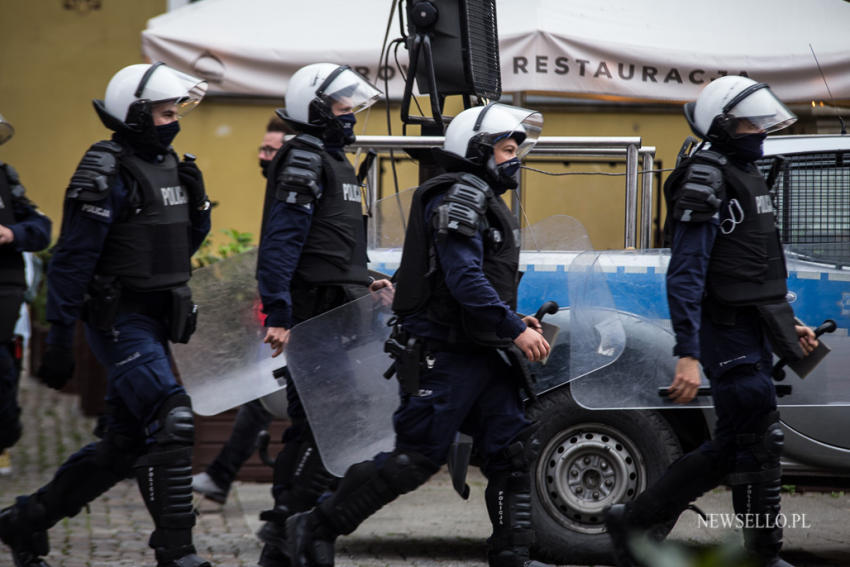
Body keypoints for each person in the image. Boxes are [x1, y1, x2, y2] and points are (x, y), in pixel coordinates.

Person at [282, 102, 551, 567]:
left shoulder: (482, 197)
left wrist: (513, 318)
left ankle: (514, 555)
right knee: (414, 460)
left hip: (484, 352)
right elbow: (463, 279)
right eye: (507, 149)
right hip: (447, 355)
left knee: (513, 451)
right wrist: (511, 327)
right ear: (479, 149)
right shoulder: (460, 197)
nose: (515, 159)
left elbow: (474, 279)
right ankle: (315, 525)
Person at [0, 62, 213, 567]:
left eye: (175, 111)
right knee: (173, 417)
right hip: (119, 319)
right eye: (164, 113)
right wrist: (57, 340)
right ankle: (176, 551)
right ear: (135, 115)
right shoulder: (104, 169)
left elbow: (181, 246)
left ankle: (24, 521)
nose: (173, 121)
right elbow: (73, 259)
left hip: (159, 317)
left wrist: (197, 203)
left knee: (123, 445)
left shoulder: (172, 165)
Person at [604, 76, 817, 567]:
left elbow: (749, 269)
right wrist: (688, 352)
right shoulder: (706, 177)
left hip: (750, 329)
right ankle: (762, 554)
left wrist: (789, 323)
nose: (760, 129)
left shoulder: (744, 171)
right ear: (722, 126)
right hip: (724, 334)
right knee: (757, 435)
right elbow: (687, 274)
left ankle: (635, 521)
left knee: (738, 444)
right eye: (749, 121)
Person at [253, 62, 390, 567]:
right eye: (341, 106)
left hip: (336, 305)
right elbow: (282, 242)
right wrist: (280, 313)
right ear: (315, 110)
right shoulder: (305, 160)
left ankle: (286, 538)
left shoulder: (331, 160)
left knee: (321, 425)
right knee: (329, 422)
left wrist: (366, 275)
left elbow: (332, 242)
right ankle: (291, 530)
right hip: (311, 310)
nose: (350, 114)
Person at [191, 115, 291, 505]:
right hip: (276, 317)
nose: (264, 158)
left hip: (296, 318)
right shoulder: (278, 190)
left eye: (272, 151)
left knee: (267, 393)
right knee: (261, 393)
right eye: (262, 150)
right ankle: (222, 476)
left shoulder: (294, 191)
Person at [0, 113, 52, 473]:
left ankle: (3, 439)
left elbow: (40, 227)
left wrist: (12, 235)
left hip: (5, 291)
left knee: (4, 371)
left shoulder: (6, 178)